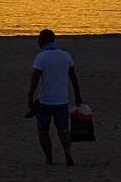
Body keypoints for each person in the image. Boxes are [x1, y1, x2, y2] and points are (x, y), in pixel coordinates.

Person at [26, 29, 87, 166]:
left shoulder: (41, 57)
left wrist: (30, 95)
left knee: (43, 130)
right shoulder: (65, 56)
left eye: (40, 38)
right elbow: (73, 78)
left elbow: (35, 78)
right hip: (61, 101)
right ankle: (67, 150)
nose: (38, 41)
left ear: (46, 39)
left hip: (45, 101)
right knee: (63, 129)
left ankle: (49, 159)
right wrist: (78, 96)